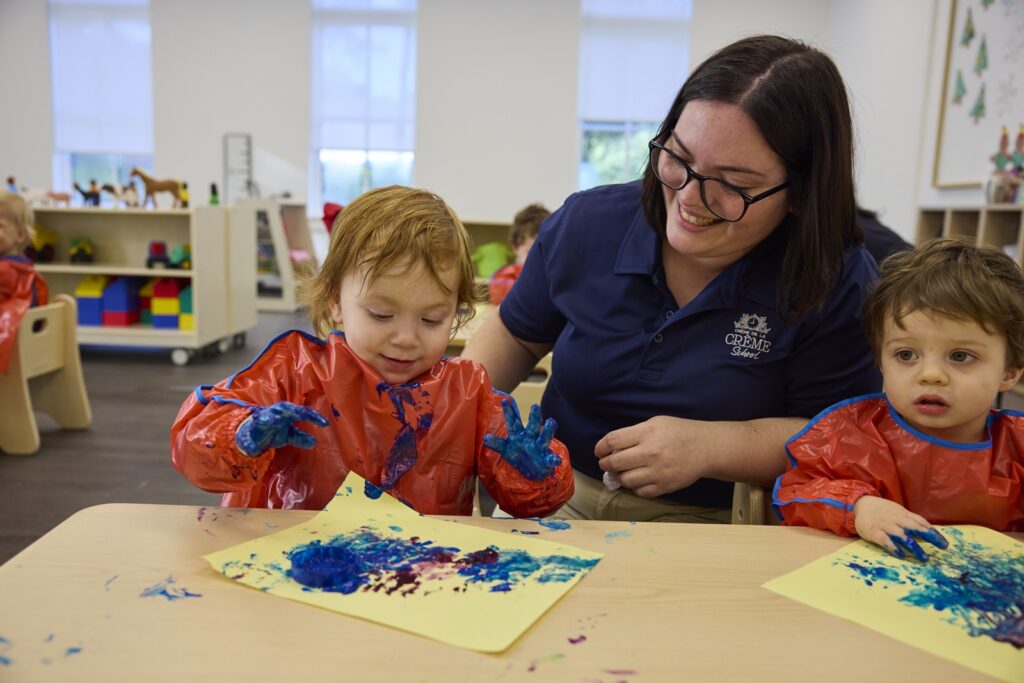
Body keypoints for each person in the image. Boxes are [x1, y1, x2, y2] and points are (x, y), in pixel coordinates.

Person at [462, 35, 881, 522]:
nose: (688, 197)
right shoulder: (587, 224)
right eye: (678, 158)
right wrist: (456, 412)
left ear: (801, 194)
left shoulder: (837, 279)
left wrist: (712, 447)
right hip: (556, 494)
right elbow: (515, 334)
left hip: (717, 517)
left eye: (733, 185)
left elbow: (837, 435)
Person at [171, 185, 573, 517]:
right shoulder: (293, 372)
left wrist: (537, 475)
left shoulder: (468, 394)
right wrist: (240, 435)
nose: (406, 338)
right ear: (333, 300)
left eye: (432, 319)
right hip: (291, 566)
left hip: (416, 574)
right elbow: (195, 445)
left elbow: (531, 502)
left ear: (457, 311)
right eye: (381, 315)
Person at [773, 238, 1024, 559]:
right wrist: (859, 507)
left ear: (1010, 371)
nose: (930, 374)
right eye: (906, 354)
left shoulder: (1016, 448)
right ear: (880, 360)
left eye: (960, 356)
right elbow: (794, 493)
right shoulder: (849, 435)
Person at [0, 192, 49, 373]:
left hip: (10, 348)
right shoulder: (24, 266)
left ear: (20, 235)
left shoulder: (5, 271)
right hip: (27, 346)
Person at [488, 203, 550, 305]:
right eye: (530, 253)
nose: (538, 260)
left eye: (544, 252)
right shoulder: (506, 276)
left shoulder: (552, 275)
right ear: (515, 247)